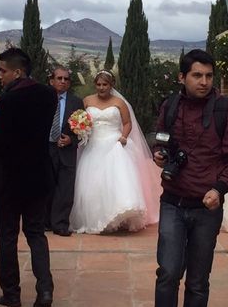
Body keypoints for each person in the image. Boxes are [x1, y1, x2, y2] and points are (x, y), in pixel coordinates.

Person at [152, 49, 228, 307]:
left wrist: (219, 189)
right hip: (172, 201)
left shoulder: (224, 109)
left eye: (208, 76)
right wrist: (159, 154)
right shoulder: (170, 106)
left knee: (197, 280)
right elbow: (161, 140)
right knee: (168, 274)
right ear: (182, 77)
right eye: (197, 75)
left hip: (207, 206)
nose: (204, 81)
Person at [0, 48, 56, 307]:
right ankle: (45, 289)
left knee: (7, 236)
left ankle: (11, 293)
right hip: (39, 175)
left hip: (10, 178)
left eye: (2, 71)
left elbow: (0, 142)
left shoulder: (7, 101)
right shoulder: (48, 95)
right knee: (36, 233)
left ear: (17, 72)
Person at [69, 70, 161, 234]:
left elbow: (127, 123)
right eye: (98, 84)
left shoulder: (119, 102)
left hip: (114, 143)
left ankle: (118, 215)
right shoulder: (87, 100)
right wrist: (81, 129)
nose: (101, 88)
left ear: (111, 85)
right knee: (93, 182)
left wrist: (124, 137)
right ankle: (96, 218)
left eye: (105, 84)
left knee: (116, 180)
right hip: (93, 145)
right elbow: (81, 118)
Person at [47, 66, 83, 236]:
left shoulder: (76, 102)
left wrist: (71, 139)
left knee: (65, 188)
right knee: (46, 185)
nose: (62, 81)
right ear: (51, 80)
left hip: (66, 150)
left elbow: (83, 129)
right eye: (59, 78)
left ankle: (60, 224)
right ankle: (45, 221)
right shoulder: (42, 99)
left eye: (66, 79)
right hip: (46, 148)